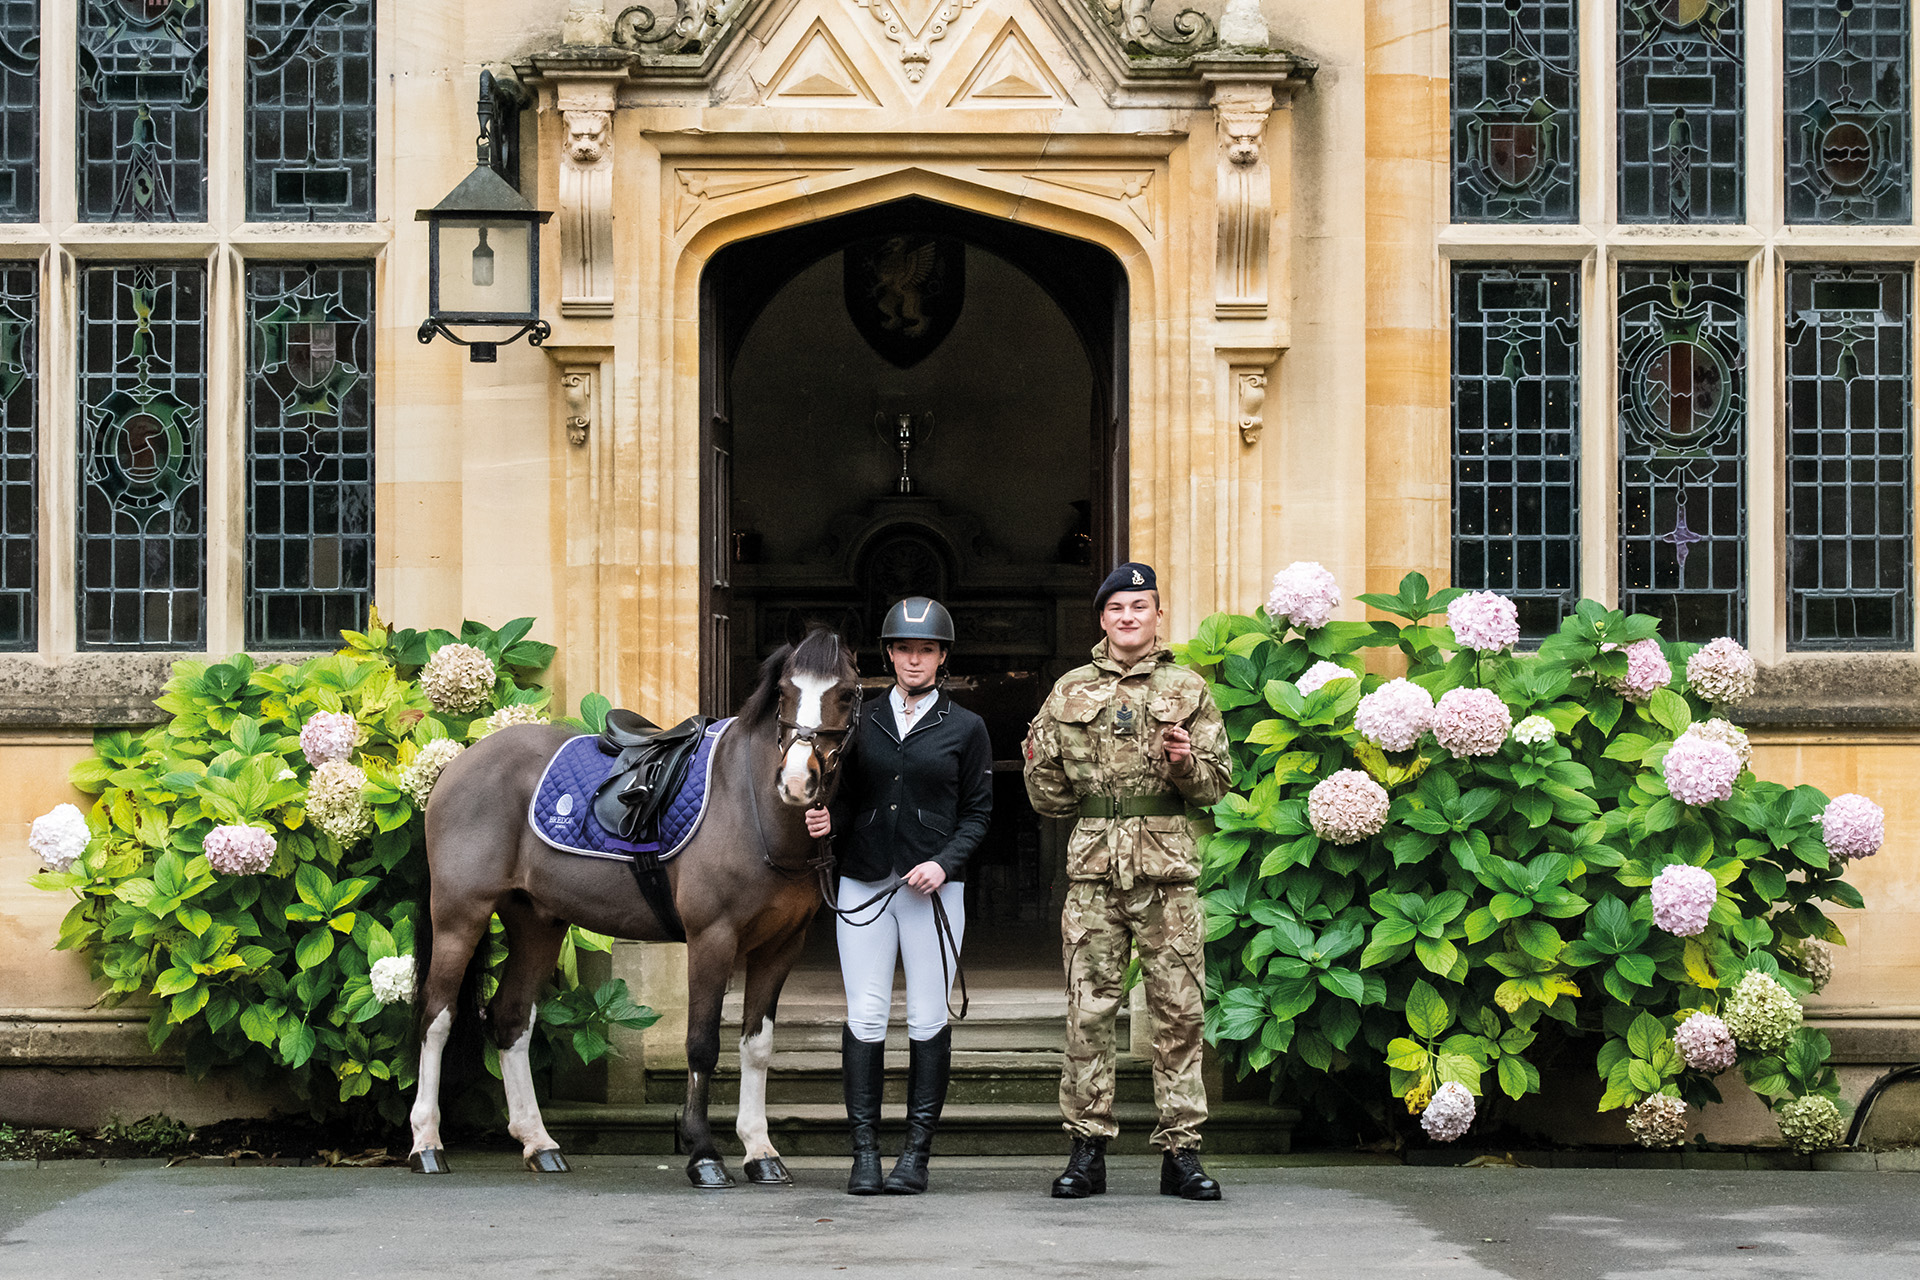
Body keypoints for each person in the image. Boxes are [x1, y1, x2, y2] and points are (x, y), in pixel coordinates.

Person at [1022, 562, 1232, 1201]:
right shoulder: (1068, 691)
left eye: (1140, 606)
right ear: (1102, 618)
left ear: (1158, 615)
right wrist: (1040, 766)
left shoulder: (1187, 688)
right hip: (1092, 874)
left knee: (1180, 1012)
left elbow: (1218, 784)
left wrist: (1184, 761)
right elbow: (1049, 798)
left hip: (1166, 874)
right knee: (1088, 1012)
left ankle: (1182, 1154)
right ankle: (1087, 1149)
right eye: (1116, 608)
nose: (1128, 618)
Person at [805, 595, 993, 1196]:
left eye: (927, 649)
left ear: (941, 657)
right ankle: (864, 1153)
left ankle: (916, 1154)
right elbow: (841, 793)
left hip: (933, 889)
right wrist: (824, 820)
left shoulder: (967, 727)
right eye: (905, 648)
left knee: (927, 1014)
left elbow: (979, 813)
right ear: (889, 654)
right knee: (863, 1013)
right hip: (865, 878)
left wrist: (944, 864)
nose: (915, 659)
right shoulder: (860, 719)